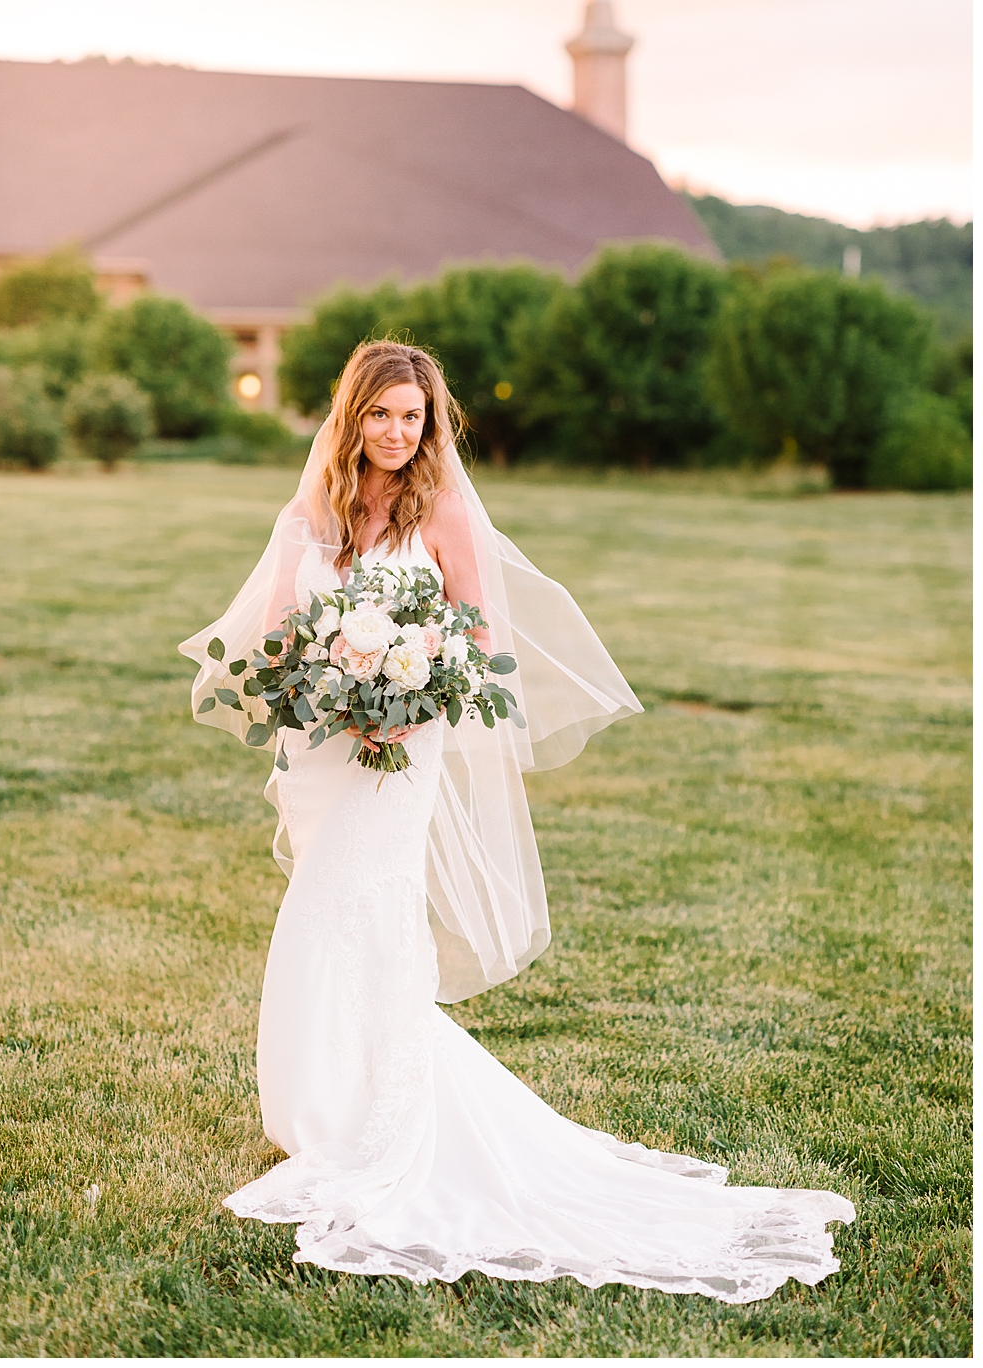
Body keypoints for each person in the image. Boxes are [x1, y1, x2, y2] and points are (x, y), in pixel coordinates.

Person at [180, 340, 853, 1302]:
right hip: (326, 741)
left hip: (404, 743)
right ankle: (326, 1106)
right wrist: (323, 668)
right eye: (380, 415)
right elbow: (283, 620)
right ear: (351, 414)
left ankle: (377, 1121)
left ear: (431, 420)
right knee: (325, 912)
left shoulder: (442, 504)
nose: (396, 434)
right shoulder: (317, 505)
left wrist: (412, 693)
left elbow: (479, 634)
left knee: (361, 910)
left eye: (413, 417)